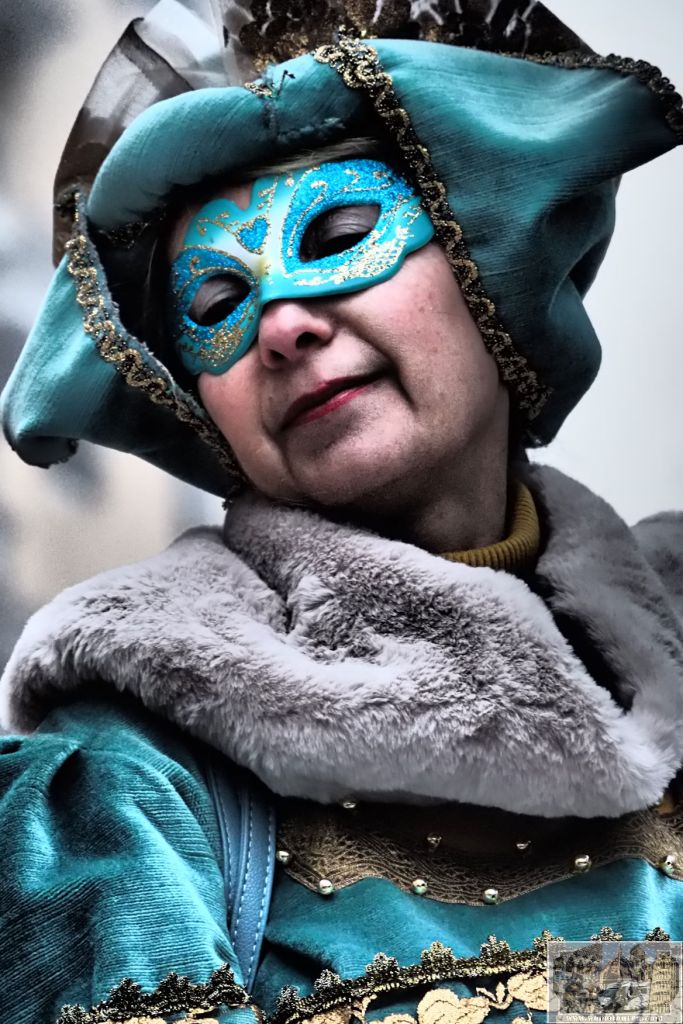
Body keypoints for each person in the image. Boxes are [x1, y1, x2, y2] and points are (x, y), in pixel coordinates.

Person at [1, 2, 682, 1022]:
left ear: (486, 262)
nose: (280, 324)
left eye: (341, 235)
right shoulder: (117, 796)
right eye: (216, 303)